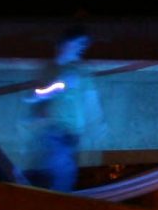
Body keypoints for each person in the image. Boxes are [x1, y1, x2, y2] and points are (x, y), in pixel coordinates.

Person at [26, 27, 102, 192]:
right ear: (66, 43)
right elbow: (43, 94)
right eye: (79, 43)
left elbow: (91, 98)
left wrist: (96, 123)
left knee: (61, 175)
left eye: (84, 44)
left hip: (70, 134)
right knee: (60, 176)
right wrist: (39, 100)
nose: (82, 48)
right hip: (56, 132)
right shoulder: (56, 69)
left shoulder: (80, 71)